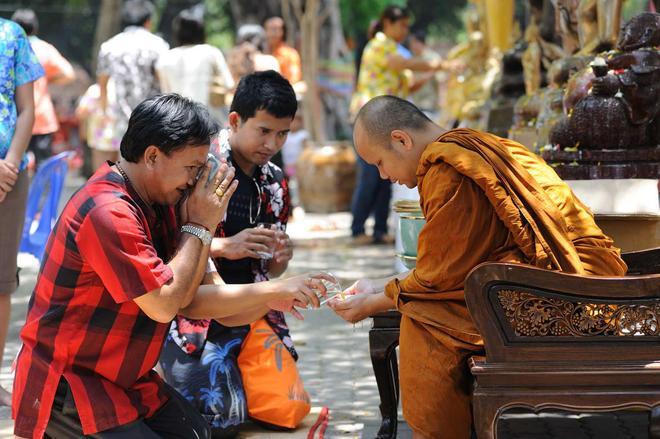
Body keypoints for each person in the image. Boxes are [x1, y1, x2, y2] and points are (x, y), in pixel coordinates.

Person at [12, 93, 327, 439]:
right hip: (72, 384)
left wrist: (271, 295)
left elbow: (200, 301)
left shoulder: (166, 199)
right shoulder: (107, 211)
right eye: (192, 168)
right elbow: (164, 304)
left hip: (128, 378)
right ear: (152, 156)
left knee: (201, 433)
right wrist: (202, 225)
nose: (196, 180)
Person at [330, 95, 627, 438]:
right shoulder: (484, 145)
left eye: (380, 162)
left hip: (569, 297)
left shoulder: (447, 170)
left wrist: (374, 301)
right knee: (416, 301)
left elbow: (437, 279)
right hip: (591, 280)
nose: (383, 176)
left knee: (426, 320)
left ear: (401, 140)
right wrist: (379, 287)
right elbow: (452, 266)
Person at [162, 71, 301, 437]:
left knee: (286, 408)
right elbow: (166, 246)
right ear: (235, 120)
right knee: (219, 422)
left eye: (283, 133)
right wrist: (226, 245)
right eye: (264, 130)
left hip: (250, 309)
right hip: (195, 310)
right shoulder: (198, 167)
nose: (273, 143)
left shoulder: (274, 180)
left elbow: (271, 267)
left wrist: (280, 256)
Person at [348, 5, 455, 246]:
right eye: (403, 25)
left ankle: (378, 230)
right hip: (372, 122)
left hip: (389, 120)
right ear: (388, 22)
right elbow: (402, 65)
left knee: (387, 178)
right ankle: (356, 229)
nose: (405, 30)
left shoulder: (396, 49)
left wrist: (435, 71)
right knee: (372, 177)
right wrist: (440, 65)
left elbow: (410, 82)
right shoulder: (379, 44)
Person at [0, 17, 42, 408]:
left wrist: (9, 165)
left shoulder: (12, 35)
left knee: (1, 282)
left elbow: (27, 108)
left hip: (8, 178)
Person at [96, 0, 169, 151]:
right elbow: (164, 80)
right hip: (154, 116)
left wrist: (104, 112)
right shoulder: (158, 45)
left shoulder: (109, 46)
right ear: (148, 21)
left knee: (127, 162)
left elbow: (102, 84)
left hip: (124, 119)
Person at [11, 8, 75, 168]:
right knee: (43, 166)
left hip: (13, 117)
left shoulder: (8, 47)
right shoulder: (45, 49)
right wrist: (47, 80)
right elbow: (68, 73)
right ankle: (43, 194)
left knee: (14, 166)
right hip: (41, 117)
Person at [156, 5, 234, 123]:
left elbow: (165, 93)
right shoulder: (211, 52)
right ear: (201, 30)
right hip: (211, 121)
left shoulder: (165, 58)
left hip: (178, 122)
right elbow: (228, 84)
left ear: (177, 32)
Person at [408, 29, 442, 121]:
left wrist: (442, 101)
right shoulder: (412, 59)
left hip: (430, 105)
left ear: (420, 42)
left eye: (413, 43)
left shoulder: (433, 58)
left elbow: (441, 81)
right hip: (416, 106)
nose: (411, 46)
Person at [263, 16, 302, 85]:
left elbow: (294, 80)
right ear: (265, 31)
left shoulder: (290, 54)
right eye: (271, 29)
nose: (274, 33)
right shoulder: (261, 53)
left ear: (283, 32)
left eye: (277, 29)